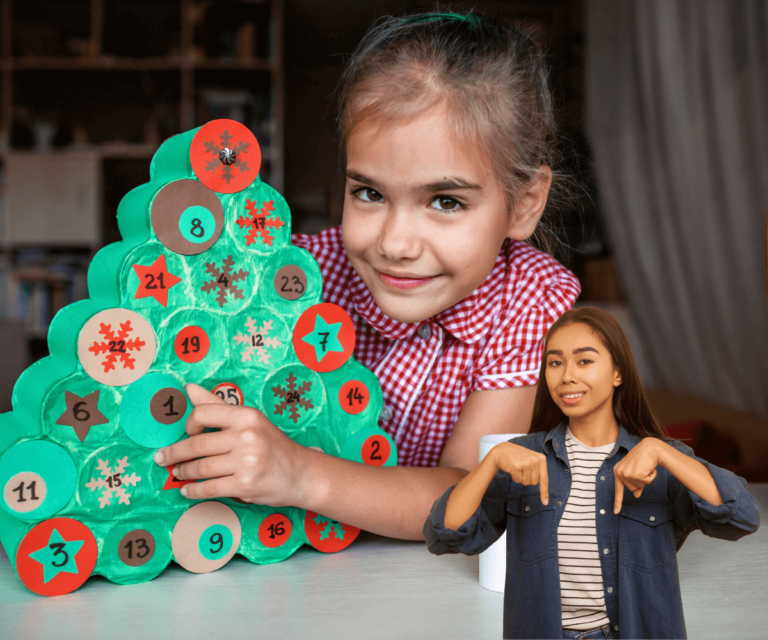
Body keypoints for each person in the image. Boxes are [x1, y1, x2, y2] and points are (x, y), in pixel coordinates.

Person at [153, 12, 580, 540]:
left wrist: (300, 474)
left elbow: (470, 496)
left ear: (525, 204)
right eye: (370, 193)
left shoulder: (526, 300)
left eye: (445, 201)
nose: (394, 244)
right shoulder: (298, 278)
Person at [424, 307, 760, 639]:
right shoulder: (523, 457)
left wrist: (662, 450)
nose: (566, 375)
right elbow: (444, 535)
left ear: (618, 372)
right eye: (555, 362)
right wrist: (491, 461)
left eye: (584, 360)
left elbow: (742, 517)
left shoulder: (661, 461)